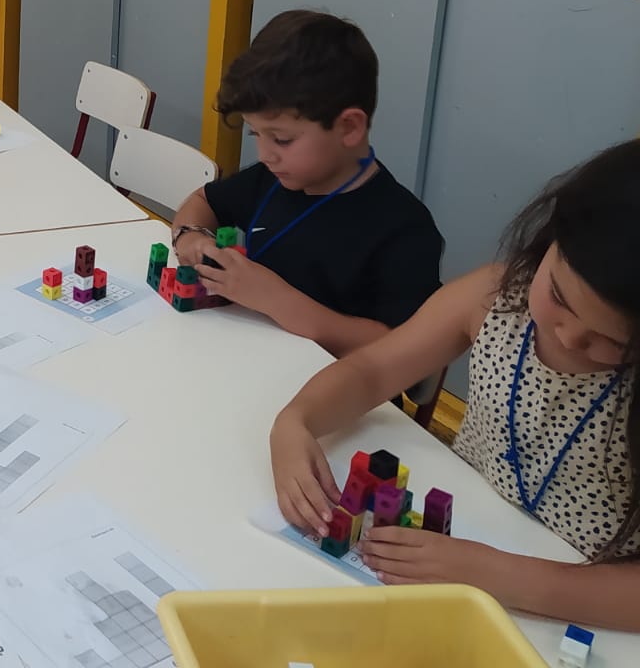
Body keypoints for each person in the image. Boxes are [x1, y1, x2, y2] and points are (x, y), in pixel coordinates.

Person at [270, 141, 640, 629]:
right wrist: (296, 421)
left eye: (611, 341)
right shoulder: (493, 296)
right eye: (558, 296)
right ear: (550, 238)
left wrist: (499, 575)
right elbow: (373, 371)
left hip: (583, 605)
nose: (570, 336)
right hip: (462, 539)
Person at [168, 10, 442, 356]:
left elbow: (403, 348)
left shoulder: (405, 229)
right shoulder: (273, 178)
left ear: (349, 128)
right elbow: (203, 200)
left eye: (282, 139)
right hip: (243, 358)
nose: (266, 154)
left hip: (333, 381)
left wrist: (276, 300)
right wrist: (191, 235)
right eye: (256, 134)